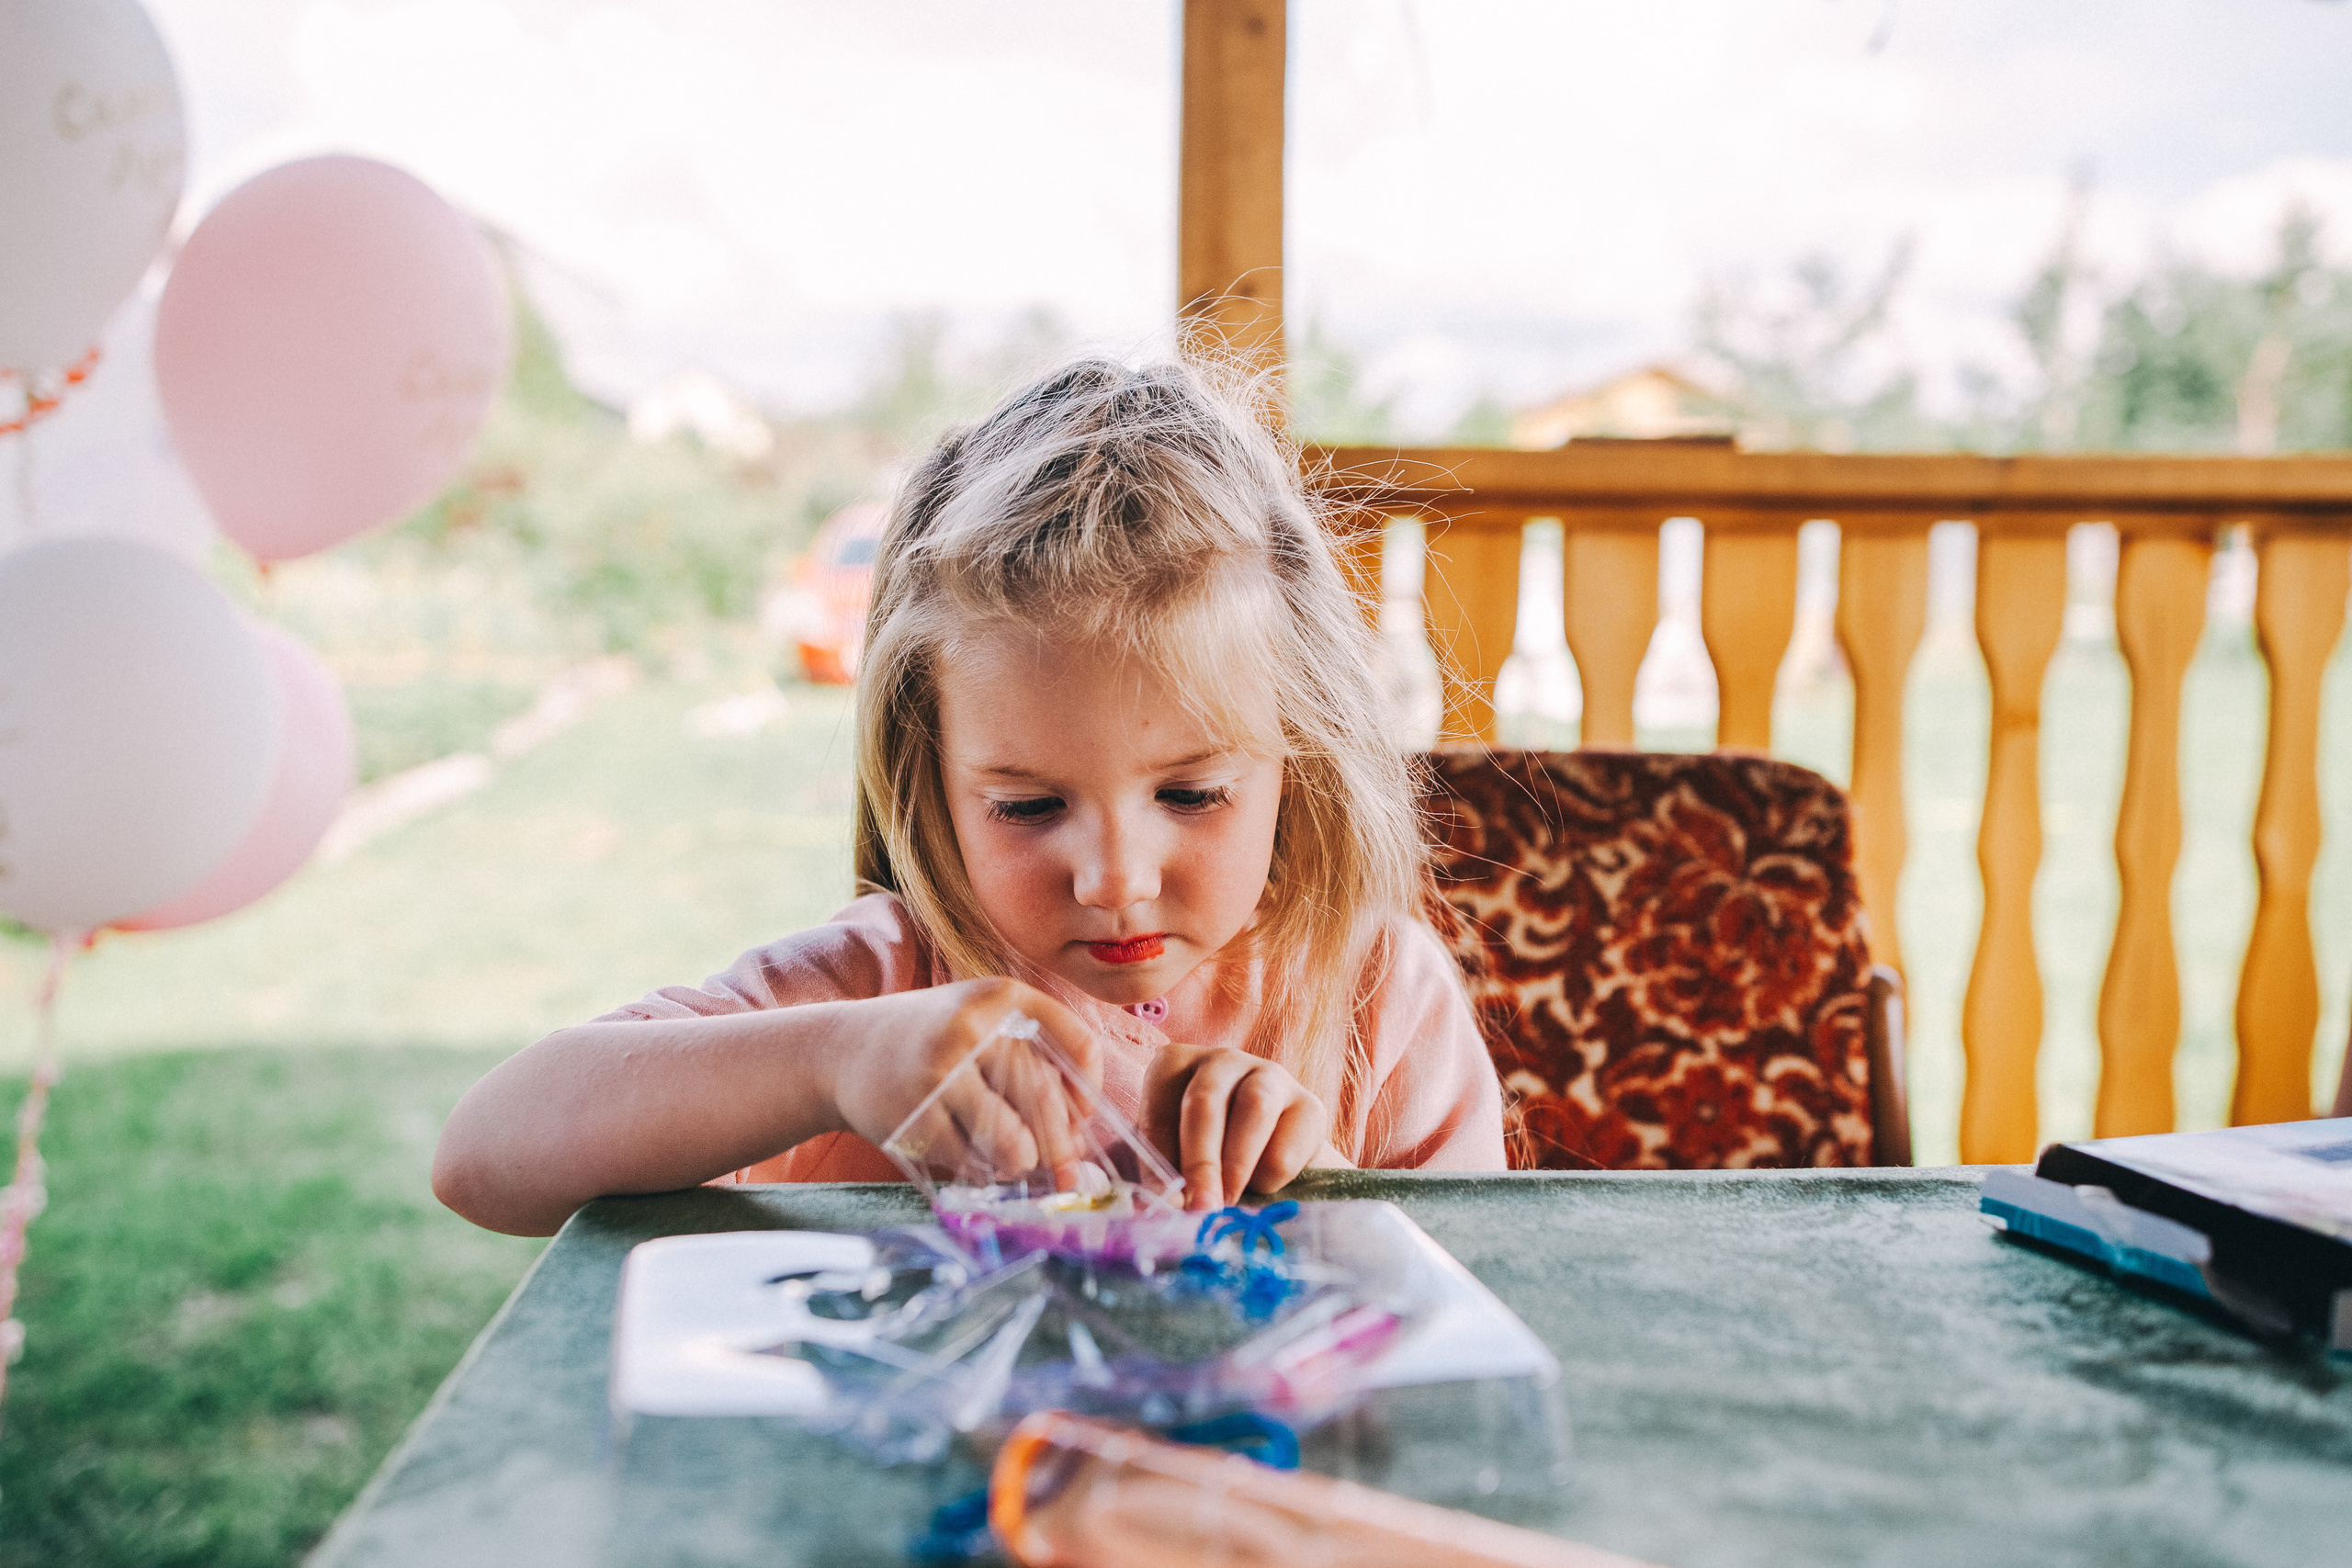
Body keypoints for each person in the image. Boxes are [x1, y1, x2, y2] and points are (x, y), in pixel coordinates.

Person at [433, 357, 1506, 1237]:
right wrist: (833, 1061)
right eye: (1029, 807)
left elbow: (1490, 1293)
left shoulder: (1373, 997)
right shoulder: (885, 982)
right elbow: (484, 1160)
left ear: (1301, 757)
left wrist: (1321, 1187)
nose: (1115, 878)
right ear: (929, 779)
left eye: (1191, 792)